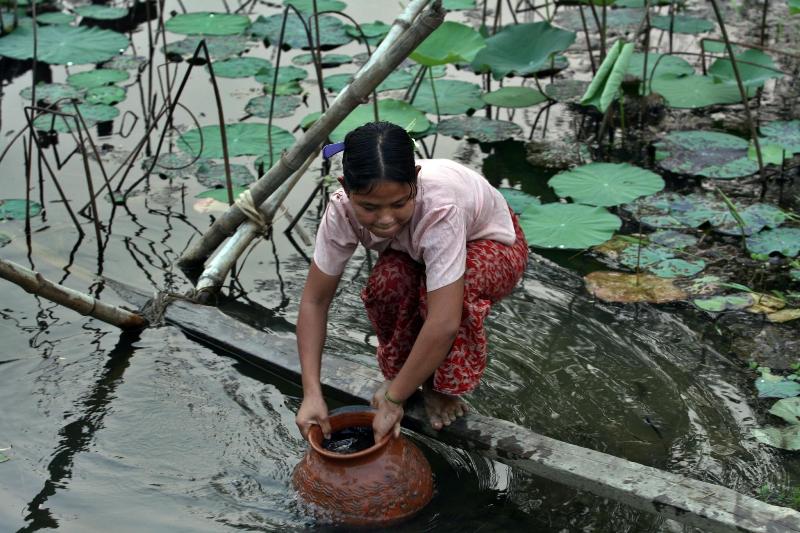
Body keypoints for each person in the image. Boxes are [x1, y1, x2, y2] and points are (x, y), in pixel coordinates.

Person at [294, 121, 528, 443]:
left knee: (454, 293)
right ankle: (404, 376)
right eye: (369, 207)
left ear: (415, 181)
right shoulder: (341, 210)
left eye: (399, 203)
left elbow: (444, 321)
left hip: (494, 246)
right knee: (388, 282)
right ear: (346, 188)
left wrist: (393, 400)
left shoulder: (440, 206)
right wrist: (311, 392)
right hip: (414, 250)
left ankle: (439, 388)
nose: (386, 219)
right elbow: (314, 301)